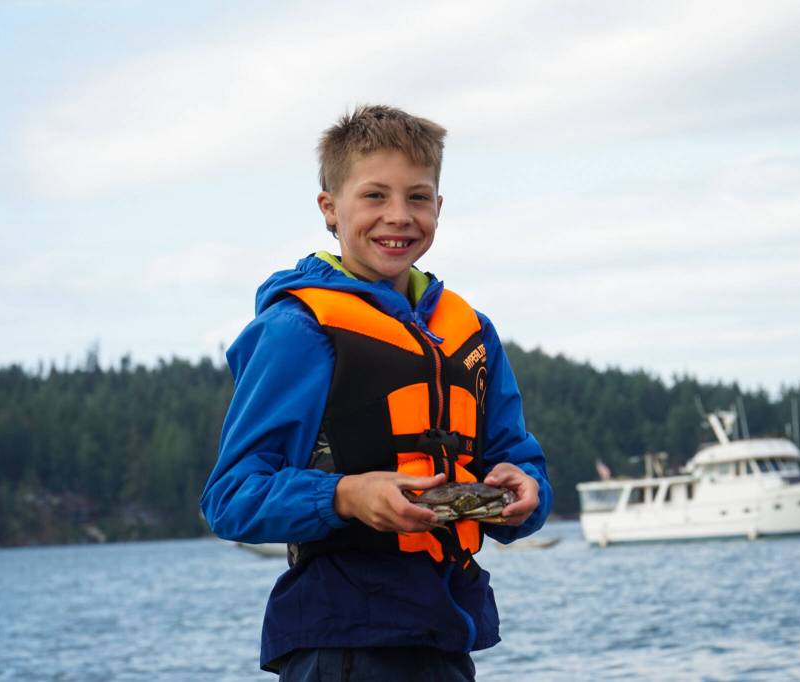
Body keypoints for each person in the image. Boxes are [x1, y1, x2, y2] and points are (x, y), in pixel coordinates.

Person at [200, 104, 552, 681]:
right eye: (374, 197)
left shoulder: (471, 332)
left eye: (418, 197)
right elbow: (232, 497)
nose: (399, 216)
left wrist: (527, 488)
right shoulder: (297, 329)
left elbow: (517, 458)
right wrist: (346, 496)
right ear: (330, 209)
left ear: (439, 207)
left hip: (445, 638)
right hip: (339, 644)